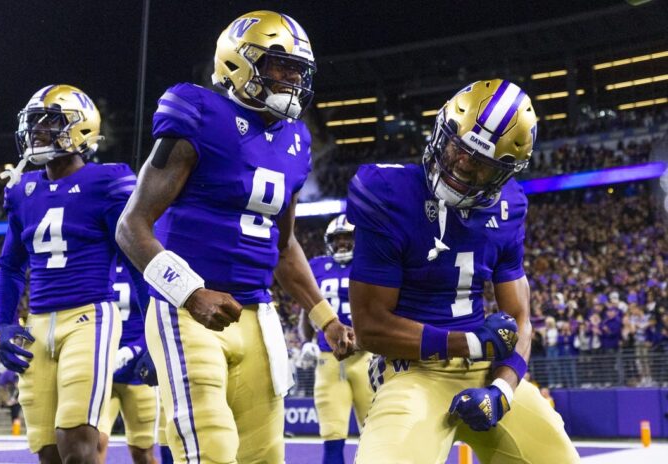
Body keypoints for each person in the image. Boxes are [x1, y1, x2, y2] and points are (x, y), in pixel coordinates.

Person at [116, 11, 355, 463]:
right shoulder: (199, 112)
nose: (292, 79)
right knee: (210, 448)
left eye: (298, 71)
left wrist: (325, 318)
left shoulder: (297, 140)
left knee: (265, 455)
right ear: (237, 62)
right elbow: (131, 225)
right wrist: (191, 293)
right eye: (280, 66)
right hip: (186, 312)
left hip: (257, 314)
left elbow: (283, 245)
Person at [347, 79, 580, 463]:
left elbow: (521, 319)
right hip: (412, 370)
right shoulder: (387, 192)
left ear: (504, 173)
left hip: (484, 370)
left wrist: (502, 391)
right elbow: (370, 326)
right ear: (442, 132)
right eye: (459, 147)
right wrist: (469, 343)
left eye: (482, 164)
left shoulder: (510, 206)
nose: (461, 164)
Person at [0, 85, 147, 463]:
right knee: (47, 451)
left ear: (82, 128)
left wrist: (153, 338)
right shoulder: (23, 190)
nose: (38, 131)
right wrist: (0, 323)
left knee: (76, 442)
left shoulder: (107, 182)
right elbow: (10, 266)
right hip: (37, 324)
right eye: (34, 122)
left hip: (89, 317)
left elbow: (138, 262)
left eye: (50, 122)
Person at [299, 214, 374, 464]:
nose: (342, 243)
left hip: (366, 358)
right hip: (328, 360)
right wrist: (306, 341)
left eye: (347, 237)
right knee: (332, 435)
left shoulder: (371, 265)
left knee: (375, 434)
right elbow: (306, 309)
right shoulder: (317, 266)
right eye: (337, 238)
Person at [98, 261, 156, 464]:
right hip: (104, 371)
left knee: (142, 454)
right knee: (96, 442)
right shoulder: (98, 262)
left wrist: (133, 350)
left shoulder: (142, 263)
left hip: (139, 374)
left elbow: (156, 320)